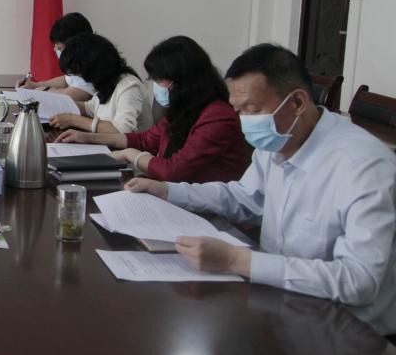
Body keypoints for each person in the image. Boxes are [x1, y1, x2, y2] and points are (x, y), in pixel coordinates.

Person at [126, 44, 396, 337]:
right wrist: (168, 191)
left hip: (346, 331)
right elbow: (244, 198)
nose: (244, 122)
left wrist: (237, 260)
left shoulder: (364, 167)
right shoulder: (280, 137)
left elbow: (359, 281)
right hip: (280, 303)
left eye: (252, 110)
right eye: (238, 110)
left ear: (296, 103)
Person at [57, 36, 249, 182]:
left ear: (184, 80)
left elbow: (172, 171)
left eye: (159, 80)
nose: (155, 86)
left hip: (206, 211)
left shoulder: (217, 117)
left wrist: (129, 154)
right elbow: (145, 140)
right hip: (175, 193)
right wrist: (89, 138)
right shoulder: (186, 107)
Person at [47, 33, 152, 134]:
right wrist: (60, 105)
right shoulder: (107, 83)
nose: (84, 79)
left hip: (132, 146)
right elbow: (90, 108)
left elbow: (123, 129)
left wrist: (72, 120)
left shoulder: (129, 85)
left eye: (82, 74)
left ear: (95, 68)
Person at [18, 12, 96, 101]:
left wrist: (42, 91)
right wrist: (35, 85)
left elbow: (62, 99)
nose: (55, 50)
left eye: (60, 48)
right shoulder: (82, 62)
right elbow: (67, 80)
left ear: (77, 46)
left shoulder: (93, 71)